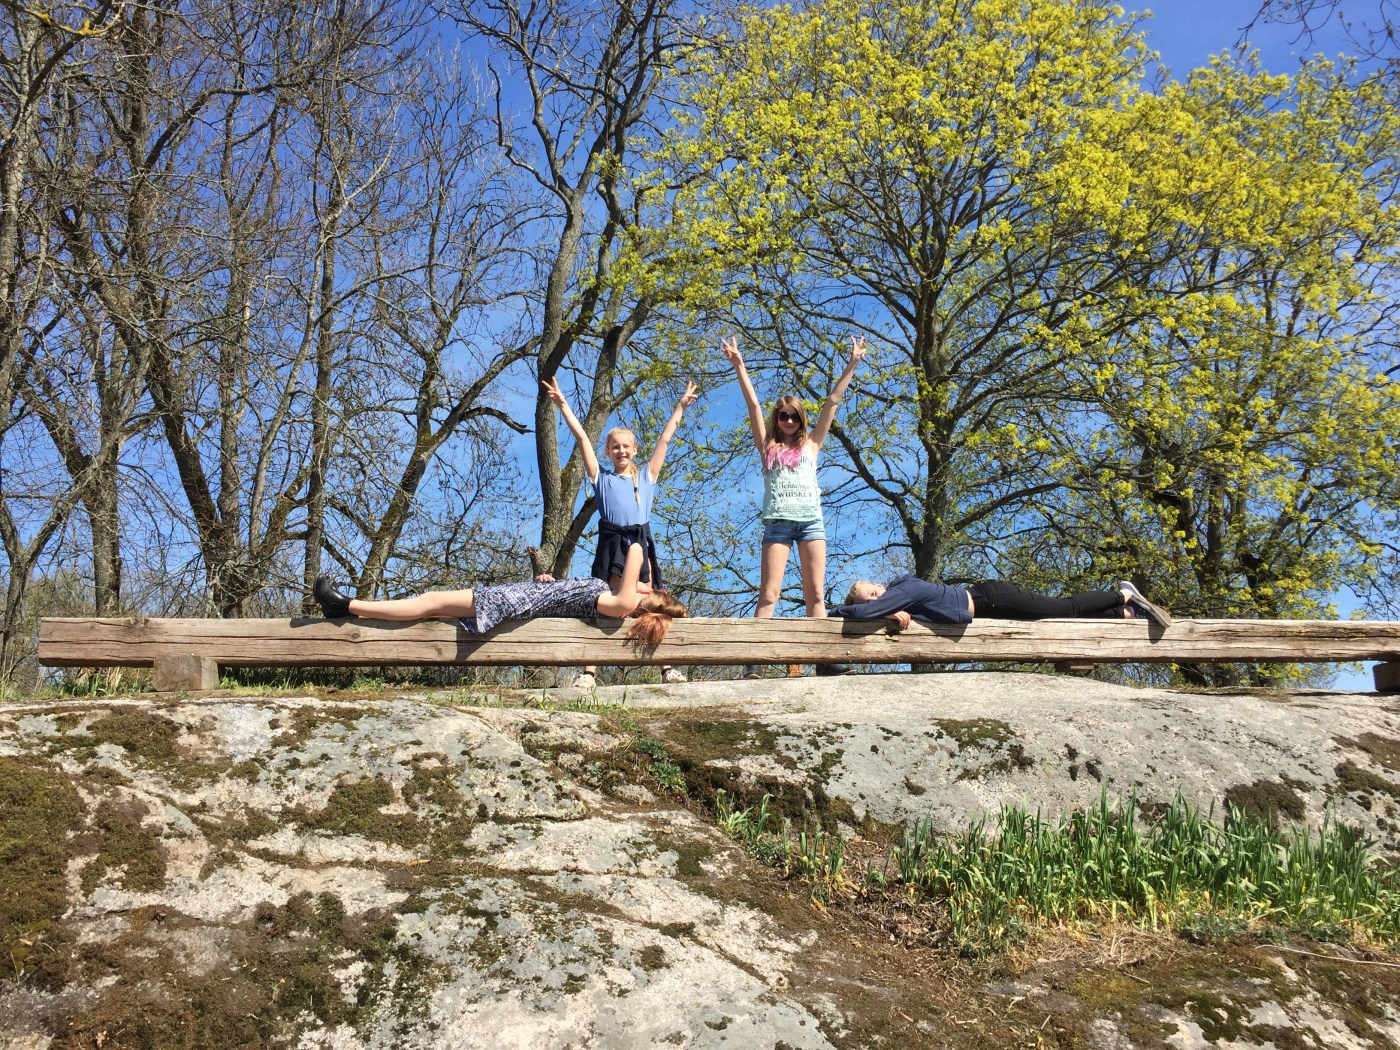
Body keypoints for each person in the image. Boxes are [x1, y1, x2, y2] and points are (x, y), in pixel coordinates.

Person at [540, 376, 699, 688]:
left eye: (626, 446)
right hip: (612, 545)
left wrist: (680, 407)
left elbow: (665, 440)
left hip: (640, 542)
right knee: (608, 604)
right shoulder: (601, 478)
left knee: (651, 605)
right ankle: (589, 672)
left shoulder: (646, 477)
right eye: (615, 447)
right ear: (608, 452)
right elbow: (582, 438)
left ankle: (667, 669)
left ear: (634, 450)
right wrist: (563, 405)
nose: (621, 451)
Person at [720, 334, 864, 677]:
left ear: (801, 419)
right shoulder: (767, 446)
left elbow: (832, 402)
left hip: (811, 522)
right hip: (778, 524)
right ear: (777, 419)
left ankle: (825, 660)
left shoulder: (812, 445)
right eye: (783, 416)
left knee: (815, 594)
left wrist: (852, 364)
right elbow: (753, 406)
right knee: (769, 593)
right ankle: (754, 662)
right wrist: (739, 365)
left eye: (794, 416)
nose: (788, 421)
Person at [312, 541, 687, 651]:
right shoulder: (612, 597)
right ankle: (351, 611)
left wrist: (637, 541)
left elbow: (634, 550)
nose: (645, 583)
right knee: (429, 606)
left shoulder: (621, 604)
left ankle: (344, 604)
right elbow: (567, 597)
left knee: (429, 602)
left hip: (508, 603)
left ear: (646, 601)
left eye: (651, 588)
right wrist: (551, 582)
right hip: (517, 597)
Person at [829, 576, 1173, 628]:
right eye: (869, 599)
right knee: (1057, 621)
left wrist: (834, 611)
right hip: (988, 607)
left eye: (872, 593)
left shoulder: (903, 590)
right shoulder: (900, 600)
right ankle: (1127, 614)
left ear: (879, 585)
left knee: (1064, 608)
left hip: (990, 598)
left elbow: (862, 613)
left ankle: (1124, 593)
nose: (875, 600)